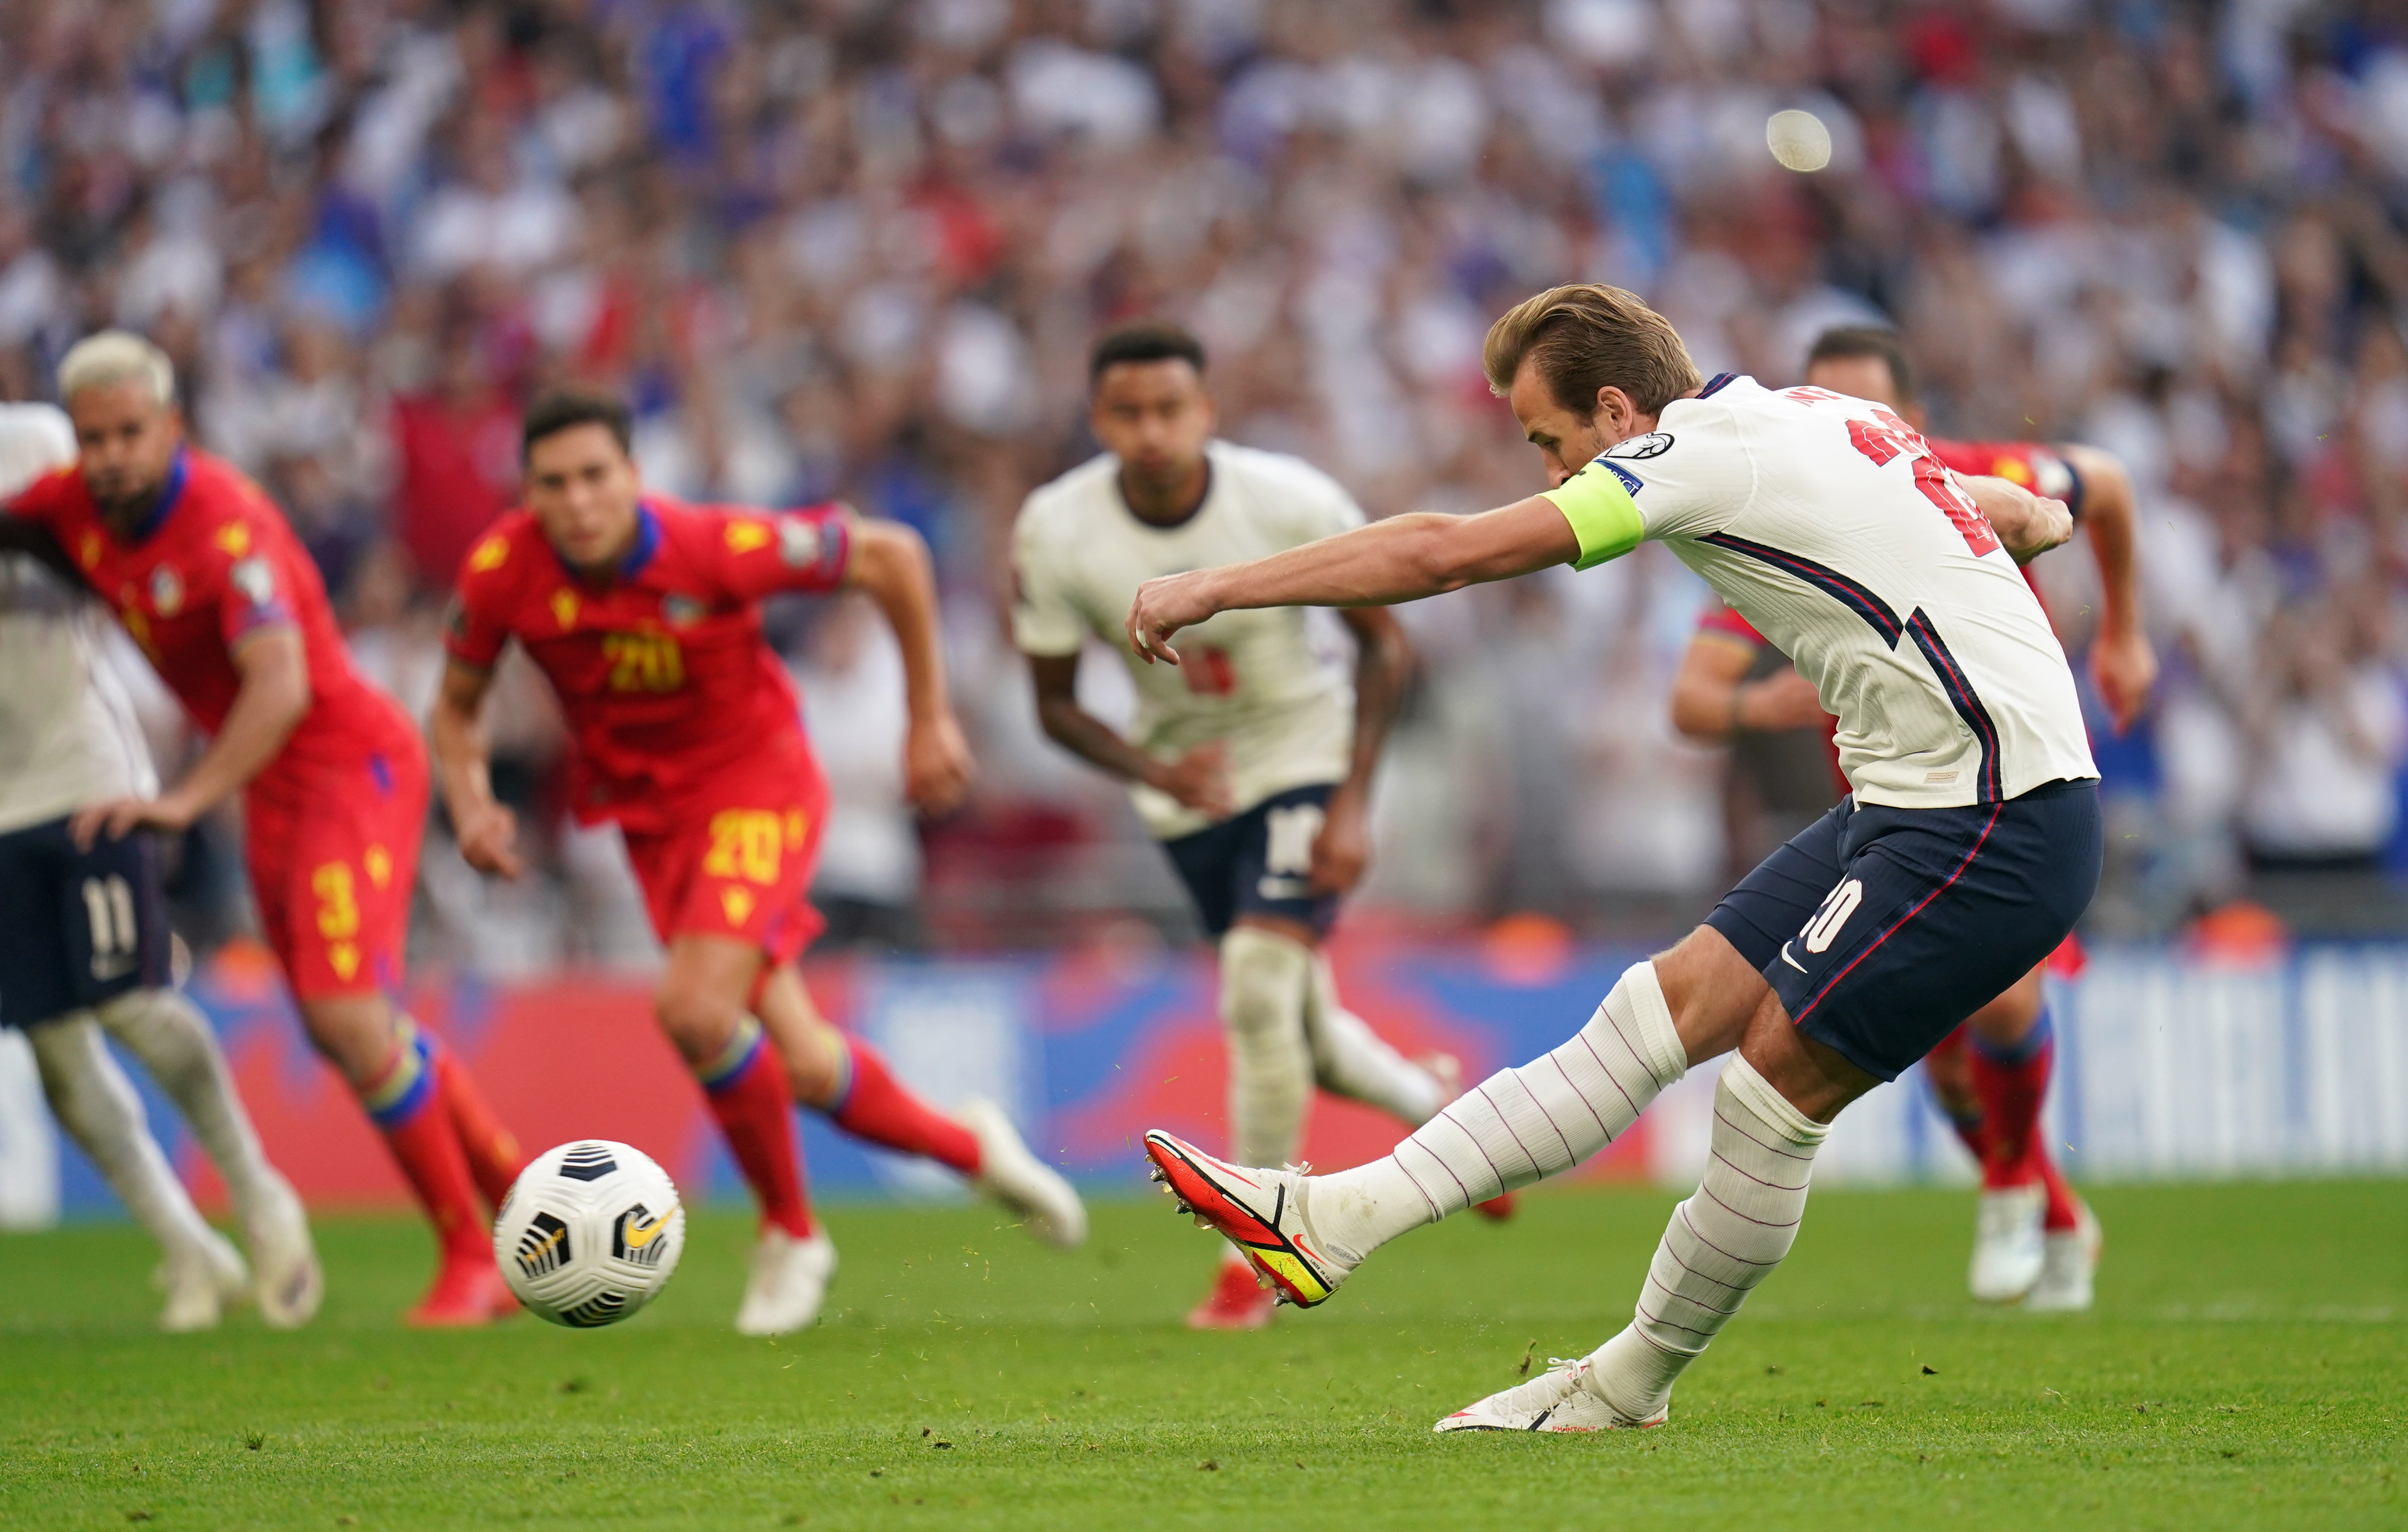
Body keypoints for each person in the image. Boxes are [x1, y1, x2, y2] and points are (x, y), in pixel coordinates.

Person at [1136, 283, 2101, 1431]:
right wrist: (2033, 530)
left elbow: (1447, 556)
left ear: (1614, 409)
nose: (1553, 474)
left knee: (1769, 1087)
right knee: (1657, 1011)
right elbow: (2021, 513)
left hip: (1999, 814)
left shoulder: (1690, 457)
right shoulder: (1810, 415)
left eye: (1550, 443)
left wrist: (1220, 585)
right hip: (1916, 798)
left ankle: (1626, 1385)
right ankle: (1330, 1224)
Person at [430, 390, 1086, 1336]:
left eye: (594, 478)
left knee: (696, 1011)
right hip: (654, 827)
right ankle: (971, 1146)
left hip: (756, 789)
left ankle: (790, 1233)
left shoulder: (709, 546)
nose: (576, 502)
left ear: (633, 478)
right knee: (810, 1065)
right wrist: (471, 799)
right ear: (527, 494)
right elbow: (455, 705)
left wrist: (927, 716)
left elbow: (892, 555)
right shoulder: (502, 572)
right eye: (553, 484)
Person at [4, 333, 527, 1327]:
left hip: (343, 765)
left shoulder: (225, 525)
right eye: (92, 437)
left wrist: (187, 800)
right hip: (277, 793)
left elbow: (279, 684)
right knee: (354, 1029)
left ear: (173, 430)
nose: (111, 454)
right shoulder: (72, 508)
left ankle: (474, 1259)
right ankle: (516, 1194)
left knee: (345, 1019)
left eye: (130, 434)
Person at [1012, 320, 1508, 1331]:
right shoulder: (1056, 530)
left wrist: (1352, 801)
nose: (1151, 433)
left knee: (1255, 991)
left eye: (1169, 410)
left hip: (1301, 756)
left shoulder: (1287, 500)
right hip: (1188, 794)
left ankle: (1257, 1261)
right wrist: (1154, 768)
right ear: (1099, 419)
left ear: (1206, 411)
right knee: (1305, 1033)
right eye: (1128, 413)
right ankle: (1450, 1122)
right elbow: (1055, 707)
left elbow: (1384, 648)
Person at [1667, 326, 2158, 1311]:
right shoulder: (1787, 507)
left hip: (2008, 785)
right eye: (1827, 400)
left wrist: (2126, 633)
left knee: (2006, 999)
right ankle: (2049, 1204)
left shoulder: (1973, 473)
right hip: (1888, 808)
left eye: (1871, 406)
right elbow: (1690, 701)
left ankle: (2016, 1191)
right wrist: (1757, 707)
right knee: (1942, 1058)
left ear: (1912, 422)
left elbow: (2101, 483)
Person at [0, 398, 319, 1331]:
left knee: (135, 1005)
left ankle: (261, 1195)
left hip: (81, 774)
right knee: (55, 1051)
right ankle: (188, 1248)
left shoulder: (36, 440)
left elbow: (110, 551)